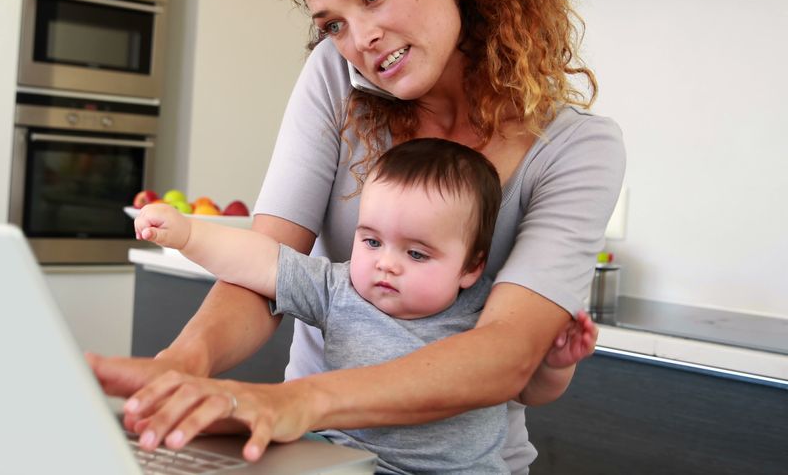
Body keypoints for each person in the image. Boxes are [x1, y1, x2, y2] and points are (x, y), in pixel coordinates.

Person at [88, 0, 625, 471]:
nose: (361, 39)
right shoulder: (334, 78)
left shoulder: (576, 151)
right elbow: (267, 268)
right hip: (320, 452)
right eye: (333, 23)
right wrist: (182, 363)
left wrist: (299, 401)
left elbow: (508, 354)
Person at [132, 138, 597, 473]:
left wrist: (555, 364)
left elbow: (529, 390)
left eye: (416, 253)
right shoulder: (338, 287)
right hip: (340, 463)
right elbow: (260, 261)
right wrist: (191, 235)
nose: (385, 265)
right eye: (371, 240)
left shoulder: (489, 312)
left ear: (471, 266)